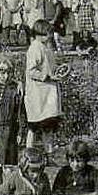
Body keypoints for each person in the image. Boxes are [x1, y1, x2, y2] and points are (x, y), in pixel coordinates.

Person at [24, 19, 64, 160]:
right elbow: (31, 71)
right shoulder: (35, 48)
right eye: (48, 33)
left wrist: (57, 71)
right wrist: (46, 77)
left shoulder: (45, 47)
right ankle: (28, 156)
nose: (51, 36)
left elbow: (49, 67)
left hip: (47, 94)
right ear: (41, 34)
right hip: (38, 95)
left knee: (48, 125)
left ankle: (49, 154)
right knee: (34, 126)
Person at [0, 57, 24, 186]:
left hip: (9, 130)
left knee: (9, 164)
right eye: (2, 71)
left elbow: (20, 112)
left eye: (9, 71)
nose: (6, 75)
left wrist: (20, 132)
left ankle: (9, 190)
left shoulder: (15, 89)